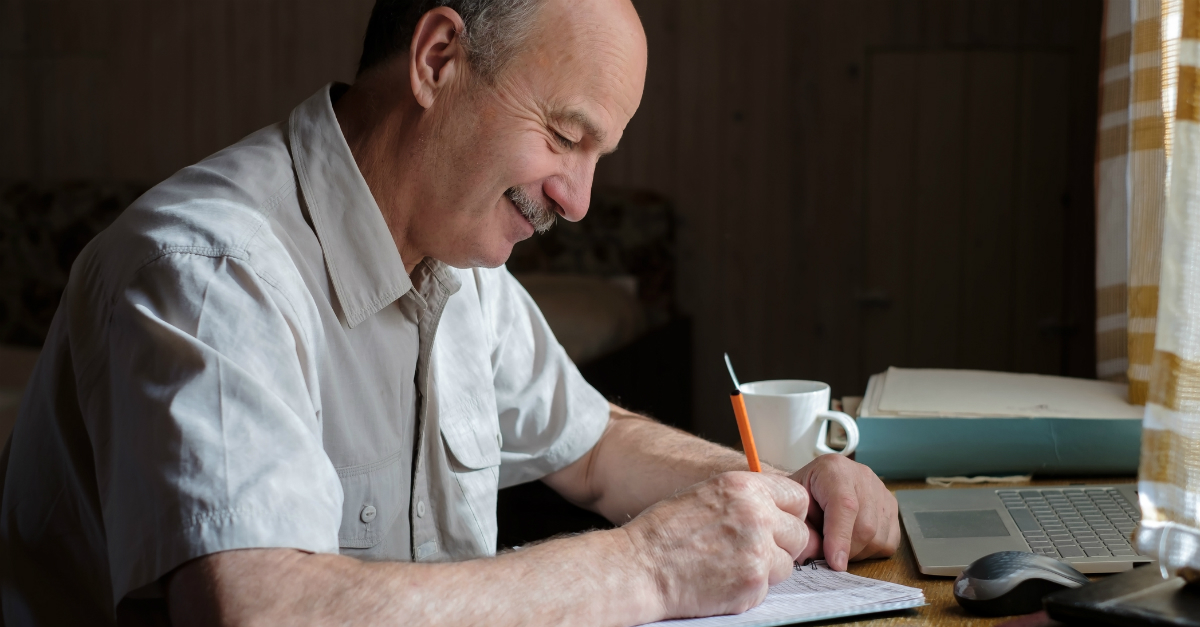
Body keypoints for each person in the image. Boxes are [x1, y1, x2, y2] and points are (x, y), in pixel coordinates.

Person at [0, 0, 899, 625]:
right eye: (564, 135)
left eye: (599, 154)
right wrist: (653, 565)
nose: (578, 198)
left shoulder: (460, 263)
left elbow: (592, 444)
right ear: (437, 60)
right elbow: (258, 608)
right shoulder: (209, 270)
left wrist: (789, 486)